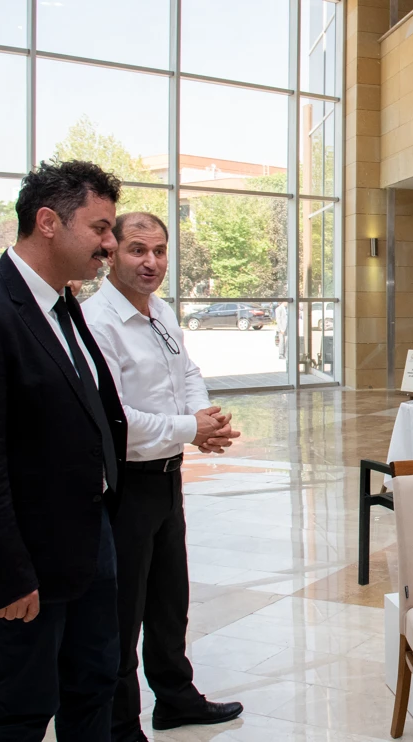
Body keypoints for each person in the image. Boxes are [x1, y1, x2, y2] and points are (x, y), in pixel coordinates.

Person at [0, 160, 128, 741]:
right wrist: (7, 576)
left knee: (93, 685)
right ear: (48, 223)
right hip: (25, 560)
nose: (110, 245)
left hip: (87, 538)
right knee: (23, 705)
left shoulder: (61, 303)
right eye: (101, 229)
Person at [82, 212, 243, 741]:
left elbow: (187, 372)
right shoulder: (97, 322)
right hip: (126, 486)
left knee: (169, 602)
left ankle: (175, 699)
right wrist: (189, 428)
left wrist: (207, 420)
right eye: (137, 250)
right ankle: (121, 723)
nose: (150, 262)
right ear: (111, 253)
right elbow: (115, 420)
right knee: (123, 614)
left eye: (158, 251)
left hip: (167, 478)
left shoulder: (161, 310)